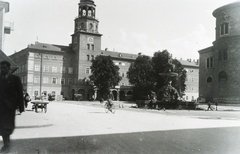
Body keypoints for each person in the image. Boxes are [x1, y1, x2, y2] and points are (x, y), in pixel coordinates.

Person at [0, 61, 24, 152]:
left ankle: (7, 141)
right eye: (1, 68)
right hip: (0, 107)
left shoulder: (15, 79)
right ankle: (6, 143)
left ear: (9, 68)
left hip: (10, 106)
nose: (2, 70)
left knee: (9, 125)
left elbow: (20, 93)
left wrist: (21, 107)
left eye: (4, 68)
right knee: (1, 126)